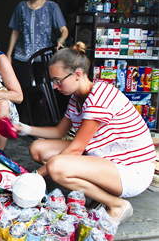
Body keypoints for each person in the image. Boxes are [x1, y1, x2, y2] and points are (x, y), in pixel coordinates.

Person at [12, 42, 156, 223]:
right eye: (53, 81)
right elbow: (59, 131)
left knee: (57, 167)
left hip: (131, 170)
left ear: (77, 75)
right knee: (38, 148)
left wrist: (33, 177)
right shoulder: (76, 98)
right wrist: (24, 128)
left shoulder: (99, 96)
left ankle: (116, 204)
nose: (55, 86)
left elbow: (76, 149)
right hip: (105, 157)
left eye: (58, 80)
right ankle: (98, 189)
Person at [7, 0, 68, 91]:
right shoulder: (21, 7)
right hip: (22, 58)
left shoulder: (52, 7)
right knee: (22, 90)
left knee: (42, 91)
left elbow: (63, 30)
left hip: (44, 59)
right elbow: (15, 31)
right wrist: (9, 54)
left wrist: (61, 40)